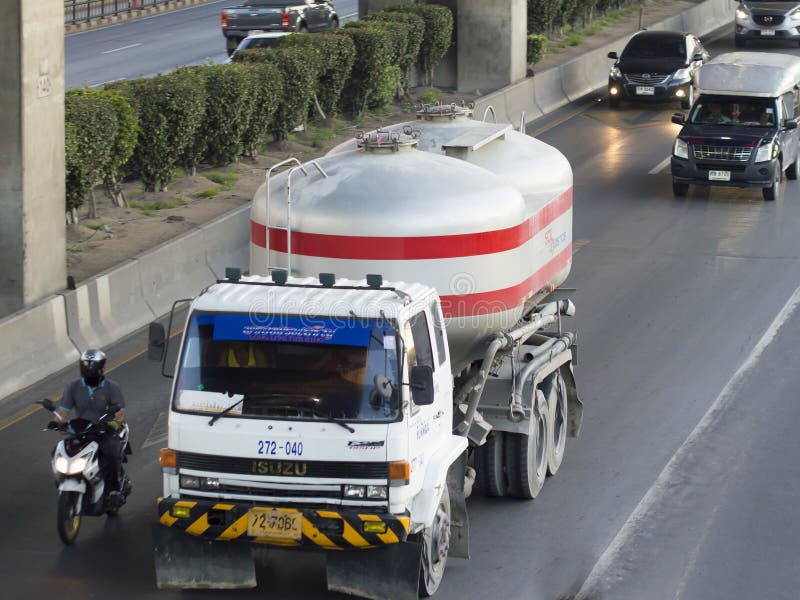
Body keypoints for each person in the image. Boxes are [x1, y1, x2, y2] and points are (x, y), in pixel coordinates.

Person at [56, 349, 127, 495]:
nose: (89, 369)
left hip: (104, 431)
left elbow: (120, 415)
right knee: (60, 450)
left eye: (92, 366)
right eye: (86, 365)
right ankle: (63, 479)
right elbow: (63, 411)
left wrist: (113, 423)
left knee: (111, 452)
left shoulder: (112, 387)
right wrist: (57, 422)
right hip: (82, 430)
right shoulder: (73, 386)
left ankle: (114, 490)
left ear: (101, 367)